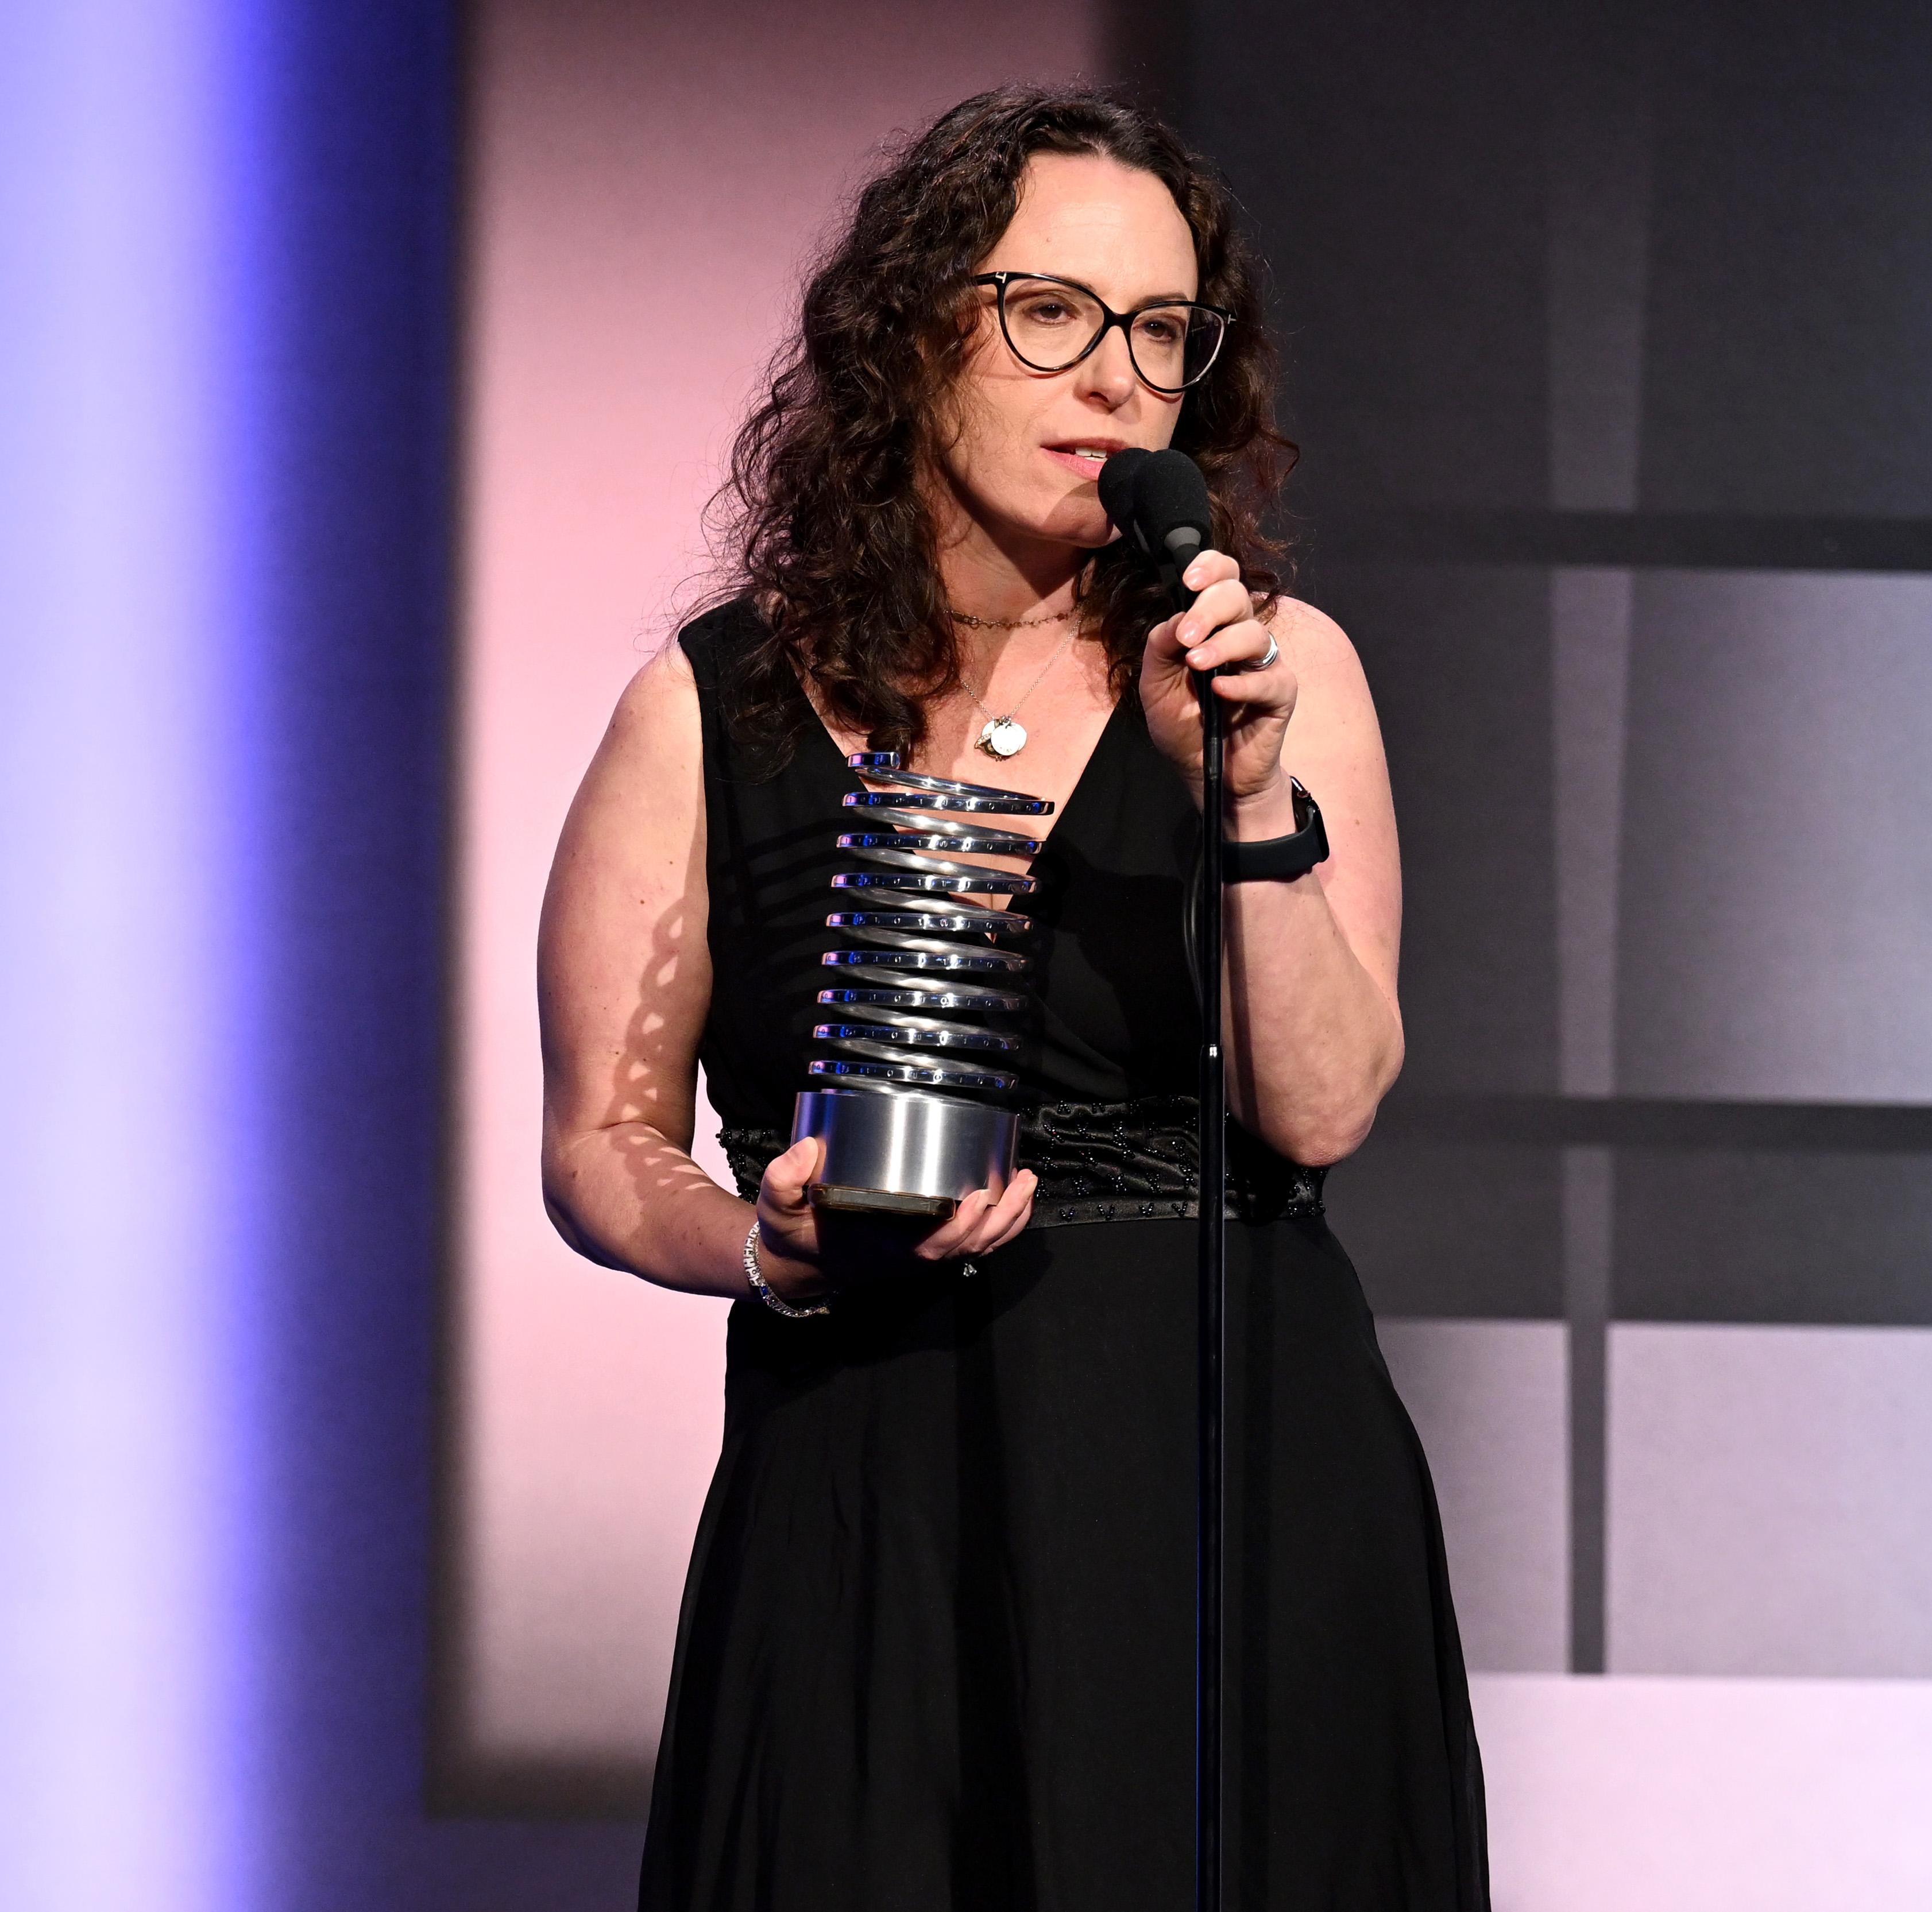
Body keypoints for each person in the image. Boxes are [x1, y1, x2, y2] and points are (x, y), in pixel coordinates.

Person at [540, 84, 1488, 1910]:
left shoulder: (1277, 672)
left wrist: (1245, 798)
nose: (1117, 378)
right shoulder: (709, 706)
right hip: (881, 1486)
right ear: (913, 331)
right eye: (1049, 312)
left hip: (1232, 1476)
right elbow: (601, 1140)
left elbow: (1326, 1104)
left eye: (1162, 332)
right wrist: (760, 1245)